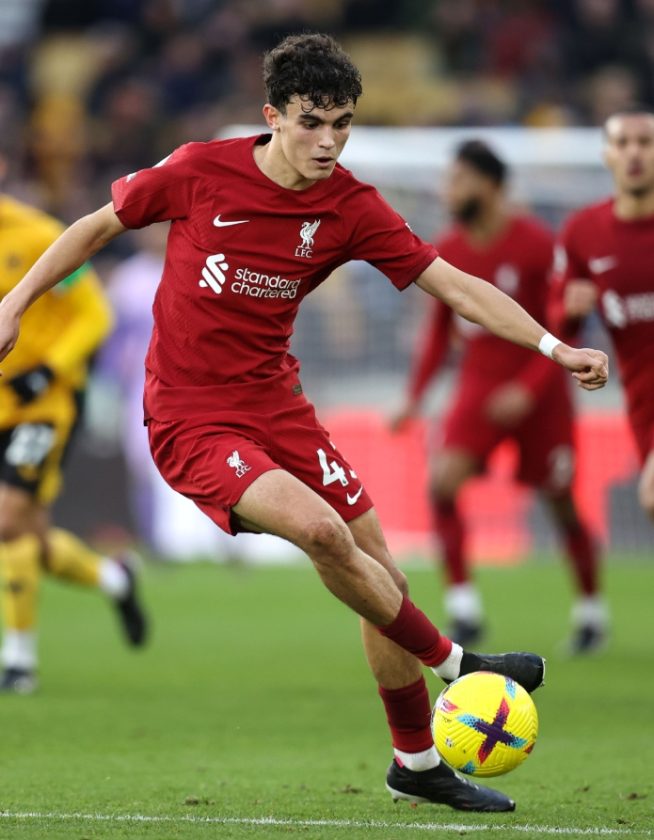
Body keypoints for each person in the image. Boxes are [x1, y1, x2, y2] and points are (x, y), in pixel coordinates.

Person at [0, 34, 608, 812]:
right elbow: (94, 228)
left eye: (342, 124)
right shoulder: (198, 170)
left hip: (279, 409)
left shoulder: (350, 205)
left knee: (381, 576)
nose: (327, 142)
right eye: (311, 122)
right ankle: (460, 666)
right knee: (323, 533)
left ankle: (416, 762)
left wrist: (556, 347)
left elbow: (454, 285)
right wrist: (15, 304)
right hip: (191, 416)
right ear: (273, 117)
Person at [391, 140, 607, 654]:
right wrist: (414, 397)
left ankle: (590, 611)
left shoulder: (536, 244)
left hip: (541, 394)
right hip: (479, 390)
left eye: (458, 180)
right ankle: (464, 609)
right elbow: (438, 331)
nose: (448, 190)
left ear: (489, 186)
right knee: (442, 484)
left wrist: (527, 389)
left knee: (561, 503)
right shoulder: (448, 248)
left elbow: (563, 325)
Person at [0, 151, 148, 695]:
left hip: (40, 407)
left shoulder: (40, 235)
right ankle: (115, 578)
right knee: (32, 538)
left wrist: (49, 371)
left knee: (7, 521)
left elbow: (94, 314)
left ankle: (18, 661)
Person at [552, 106, 654, 525]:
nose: (634, 153)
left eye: (645, 142)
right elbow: (557, 323)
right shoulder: (583, 231)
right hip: (642, 399)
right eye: (623, 143)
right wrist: (571, 313)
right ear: (607, 155)